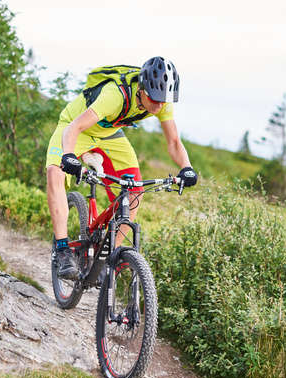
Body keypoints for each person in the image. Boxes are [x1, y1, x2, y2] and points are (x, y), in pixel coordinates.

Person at [45, 56, 198, 279]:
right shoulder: (115, 96)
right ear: (142, 89)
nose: (159, 106)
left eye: (163, 101)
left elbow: (174, 142)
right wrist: (68, 156)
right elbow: (74, 127)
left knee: (135, 190)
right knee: (54, 173)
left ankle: (109, 257)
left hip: (110, 134)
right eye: (154, 99)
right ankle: (62, 250)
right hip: (76, 127)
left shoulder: (162, 101)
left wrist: (187, 167)